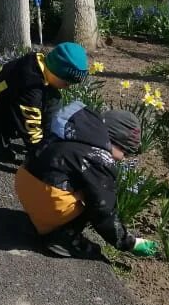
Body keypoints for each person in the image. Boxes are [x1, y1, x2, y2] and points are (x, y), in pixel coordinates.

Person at [16, 104, 159, 259]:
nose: (123, 158)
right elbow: (103, 211)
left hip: (23, 181)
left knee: (78, 186)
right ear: (114, 140)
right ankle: (63, 239)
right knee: (93, 201)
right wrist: (129, 243)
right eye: (125, 151)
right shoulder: (100, 158)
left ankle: (40, 222)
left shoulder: (75, 131)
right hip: (49, 199)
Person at [0, 41, 88, 158]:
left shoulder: (38, 62)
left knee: (54, 100)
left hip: (10, 97)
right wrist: (40, 155)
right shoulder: (30, 88)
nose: (67, 87)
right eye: (66, 83)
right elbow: (30, 128)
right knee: (30, 141)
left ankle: (48, 139)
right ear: (56, 72)